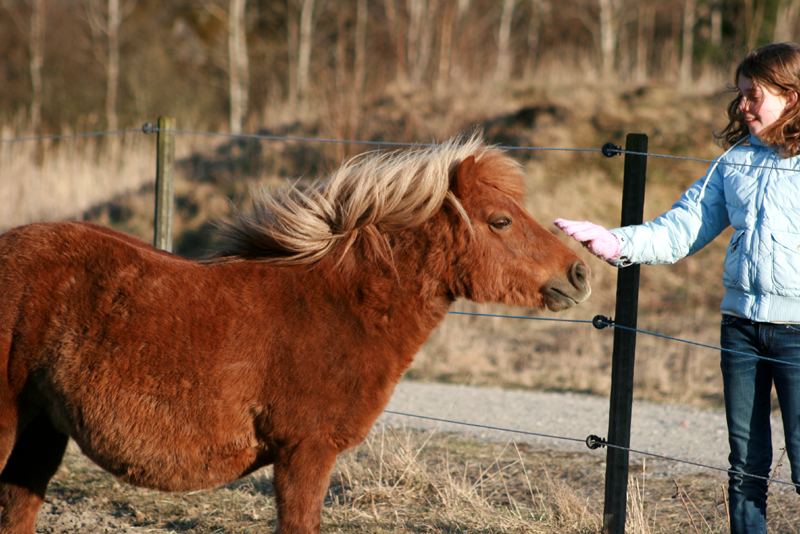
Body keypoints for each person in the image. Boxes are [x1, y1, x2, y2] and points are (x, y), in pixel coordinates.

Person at [555, 42, 800, 534]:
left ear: (792, 95)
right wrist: (614, 241)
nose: (744, 106)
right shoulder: (735, 162)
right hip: (742, 331)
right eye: (742, 95)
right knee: (744, 467)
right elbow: (682, 227)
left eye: (756, 95)